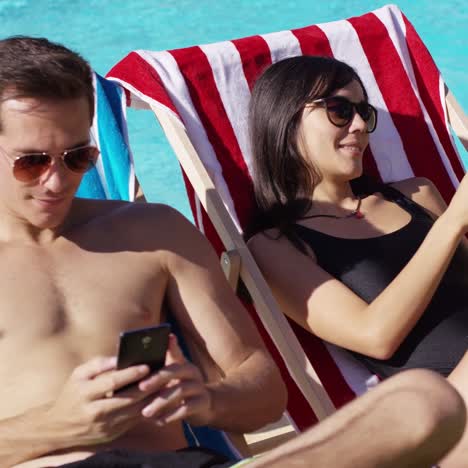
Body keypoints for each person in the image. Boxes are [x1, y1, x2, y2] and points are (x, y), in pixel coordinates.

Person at [0, 37, 463, 468]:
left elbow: (263, 392)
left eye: (78, 157)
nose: (57, 182)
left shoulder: (152, 231)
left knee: (423, 403)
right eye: (32, 162)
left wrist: (208, 399)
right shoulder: (280, 242)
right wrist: (58, 425)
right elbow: (374, 334)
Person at [247, 55, 468, 467]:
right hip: (446, 422)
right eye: (339, 110)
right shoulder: (275, 245)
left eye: (363, 112)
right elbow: (374, 335)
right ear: (284, 118)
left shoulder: (417, 194)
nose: (359, 126)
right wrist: (453, 221)